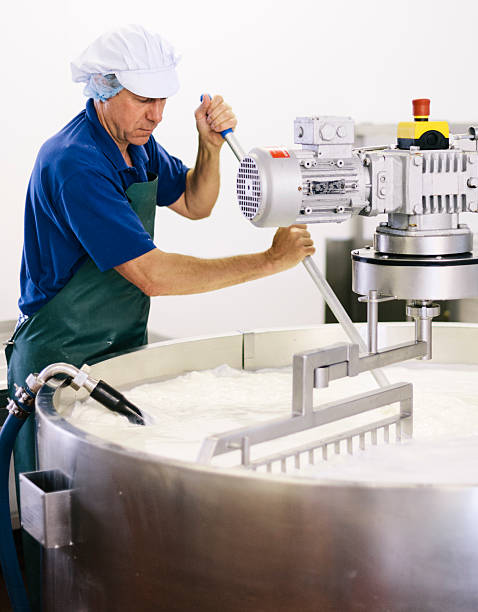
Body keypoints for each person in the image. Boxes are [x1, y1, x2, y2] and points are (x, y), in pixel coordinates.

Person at [4, 24, 314, 609]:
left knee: (109, 530)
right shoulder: (76, 162)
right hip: (57, 360)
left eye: (163, 99)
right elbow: (152, 275)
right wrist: (269, 262)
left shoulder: (137, 145)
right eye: (144, 100)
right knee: (59, 539)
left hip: (118, 352)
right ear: (102, 88)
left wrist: (209, 144)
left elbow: (196, 203)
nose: (157, 113)